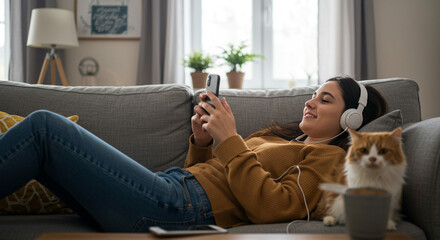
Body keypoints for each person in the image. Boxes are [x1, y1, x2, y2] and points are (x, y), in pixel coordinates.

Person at [0, 76, 388, 232]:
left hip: (176, 208)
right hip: (173, 190)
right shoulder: (282, 140)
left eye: (324, 99)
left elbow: (271, 206)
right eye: (312, 94)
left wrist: (231, 140)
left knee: (46, 129)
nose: (309, 102)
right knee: (47, 146)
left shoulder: (330, 160)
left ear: (351, 118)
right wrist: (202, 142)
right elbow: (207, 176)